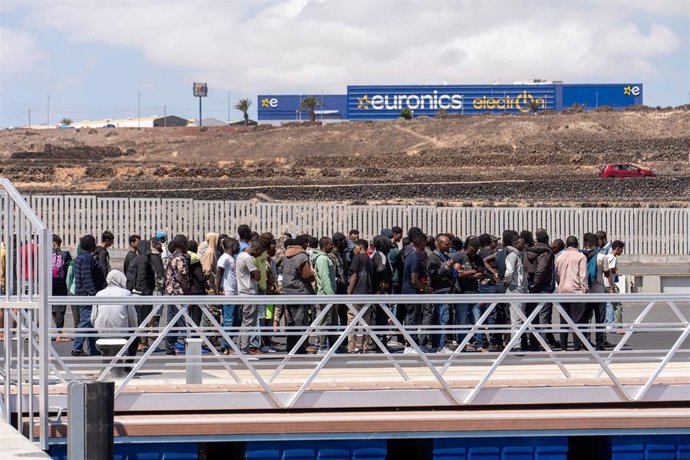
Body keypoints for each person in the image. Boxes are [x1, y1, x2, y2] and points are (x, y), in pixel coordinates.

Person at [91, 270, 139, 368]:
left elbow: (93, 318)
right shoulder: (126, 294)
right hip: (121, 333)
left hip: (102, 334)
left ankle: (107, 368)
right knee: (135, 338)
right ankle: (127, 366)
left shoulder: (99, 294)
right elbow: (132, 317)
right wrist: (134, 329)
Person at [72, 234, 106, 356]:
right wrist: (93, 293)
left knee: (91, 322)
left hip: (82, 293)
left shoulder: (80, 257)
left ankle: (93, 349)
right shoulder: (87, 258)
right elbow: (87, 277)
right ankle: (77, 347)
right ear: (91, 245)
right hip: (87, 295)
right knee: (86, 320)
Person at [281, 235, 315, 354]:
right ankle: (300, 347)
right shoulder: (301, 256)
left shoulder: (286, 255)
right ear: (305, 243)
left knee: (291, 321)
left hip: (288, 292)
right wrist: (313, 274)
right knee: (300, 321)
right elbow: (306, 275)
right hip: (300, 292)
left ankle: (291, 346)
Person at [451, 237, 486, 351]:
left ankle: (479, 344)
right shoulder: (459, 256)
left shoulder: (478, 258)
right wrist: (472, 272)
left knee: (477, 320)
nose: (474, 253)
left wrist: (466, 273)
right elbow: (457, 273)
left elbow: (481, 274)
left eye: (476, 251)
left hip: (474, 293)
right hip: (462, 293)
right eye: (472, 250)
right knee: (462, 321)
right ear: (467, 247)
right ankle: (462, 344)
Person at [526, 229, 559, 349]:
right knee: (543, 316)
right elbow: (542, 269)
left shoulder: (529, 251)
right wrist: (536, 283)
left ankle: (535, 343)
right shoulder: (546, 252)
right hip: (542, 286)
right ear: (547, 239)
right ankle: (542, 343)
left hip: (532, 286)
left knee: (534, 315)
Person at [555, 236, 588, 351]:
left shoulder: (560, 257)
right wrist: (585, 290)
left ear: (566, 245)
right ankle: (576, 345)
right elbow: (582, 276)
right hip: (576, 291)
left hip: (562, 291)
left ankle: (563, 346)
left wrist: (560, 285)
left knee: (563, 320)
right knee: (577, 320)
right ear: (577, 244)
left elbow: (557, 275)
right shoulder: (581, 257)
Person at [236, 240, 266, 354]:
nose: (259, 255)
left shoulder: (240, 256)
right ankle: (244, 349)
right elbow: (257, 276)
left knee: (245, 322)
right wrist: (258, 271)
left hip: (243, 293)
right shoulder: (248, 258)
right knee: (249, 322)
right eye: (260, 252)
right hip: (249, 293)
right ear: (256, 249)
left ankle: (240, 346)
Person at [401, 232, 429, 353]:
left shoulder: (412, 256)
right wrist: (426, 288)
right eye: (424, 241)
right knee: (412, 318)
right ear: (420, 242)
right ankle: (410, 345)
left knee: (412, 317)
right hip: (412, 292)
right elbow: (414, 279)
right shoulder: (414, 257)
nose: (425, 244)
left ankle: (412, 343)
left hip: (409, 291)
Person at [427, 234, 454, 352]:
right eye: (446, 244)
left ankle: (439, 345)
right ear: (438, 244)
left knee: (443, 318)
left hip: (446, 291)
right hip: (439, 292)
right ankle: (439, 346)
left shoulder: (444, 256)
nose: (449, 246)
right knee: (441, 318)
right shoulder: (434, 257)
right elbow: (434, 275)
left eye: (449, 243)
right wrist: (446, 267)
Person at [163, 235, 190, 356]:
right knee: (183, 321)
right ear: (182, 244)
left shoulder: (170, 257)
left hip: (170, 293)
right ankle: (189, 347)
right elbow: (182, 277)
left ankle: (169, 348)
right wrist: (186, 291)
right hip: (179, 293)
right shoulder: (180, 259)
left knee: (171, 322)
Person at [347, 239, 375, 353]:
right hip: (367, 294)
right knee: (365, 323)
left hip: (357, 294)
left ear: (360, 247)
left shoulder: (356, 258)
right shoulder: (370, 260)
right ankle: (365, 347)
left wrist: (349, 292)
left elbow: (354, 276)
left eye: (355, 247)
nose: (353, 250)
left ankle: (351, 347)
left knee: (351, 321)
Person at [126, 239, 156, 341]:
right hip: (143, 294)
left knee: (141, 318)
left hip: (139, 292)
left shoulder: (139, 258)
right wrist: (145, 293)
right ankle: (141, 342)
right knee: (142, 318)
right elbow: (142, 277)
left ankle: (141, 341)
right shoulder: (143, 259)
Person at [503, 235, 530, 351]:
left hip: (520, 290)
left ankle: (518, 343)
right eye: (521, 243)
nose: (523, 245)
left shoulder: (519, 255)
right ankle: (516, 345)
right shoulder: (513, 256)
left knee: (519, 319)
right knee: (516, 319)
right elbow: (509, 272)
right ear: (515, 244)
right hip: (516, 291)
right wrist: (507, 281)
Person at [311, 237, 337, 352]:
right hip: (325, 295)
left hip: (327, 294)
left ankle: (333, 346)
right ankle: (322, 347)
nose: (333, 247)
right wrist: (331, 295)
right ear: (325, 245)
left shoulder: (325, 258)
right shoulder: (322, 259)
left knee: (332, 321)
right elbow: (325, 277)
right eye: (331, 245)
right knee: (325, 321)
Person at [216, 237, 240, 354]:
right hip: (228, 293)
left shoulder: (232, 258)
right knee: (228, 321)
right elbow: (218, 275)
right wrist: (218, 293)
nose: (239, 248)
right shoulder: (224, 258)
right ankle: (227, 346)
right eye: (237, 246)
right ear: (231, 246)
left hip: (234, 293)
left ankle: (227, 344)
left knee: (233, 320)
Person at [584, 233, 607, 350]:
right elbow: (607, 272)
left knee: (586, 318)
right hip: (599, 291)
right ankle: (600, 344)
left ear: (585, 243)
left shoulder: (582, 256)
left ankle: (586, 342)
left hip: (586, 291)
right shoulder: (601, 257)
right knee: (600, 319)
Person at [51, 234, 72, 342]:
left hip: (50, 284)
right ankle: (60, 333)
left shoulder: (46, 254)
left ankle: (59, 332)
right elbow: (69, 270)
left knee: (52, 307)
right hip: (62, 284)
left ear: (53, 243)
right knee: (61, 308)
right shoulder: (66, 254)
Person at [605, 240, 625, 333]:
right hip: (610, 285)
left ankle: (609, 326)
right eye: (621, 249)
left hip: (604, 284)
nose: (622, 251)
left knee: (608, 304)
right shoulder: (613, 258)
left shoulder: (606, 256)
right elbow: (610, 272)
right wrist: (612, 286)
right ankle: (617, 327)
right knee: (617, 305)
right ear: (617, 248)